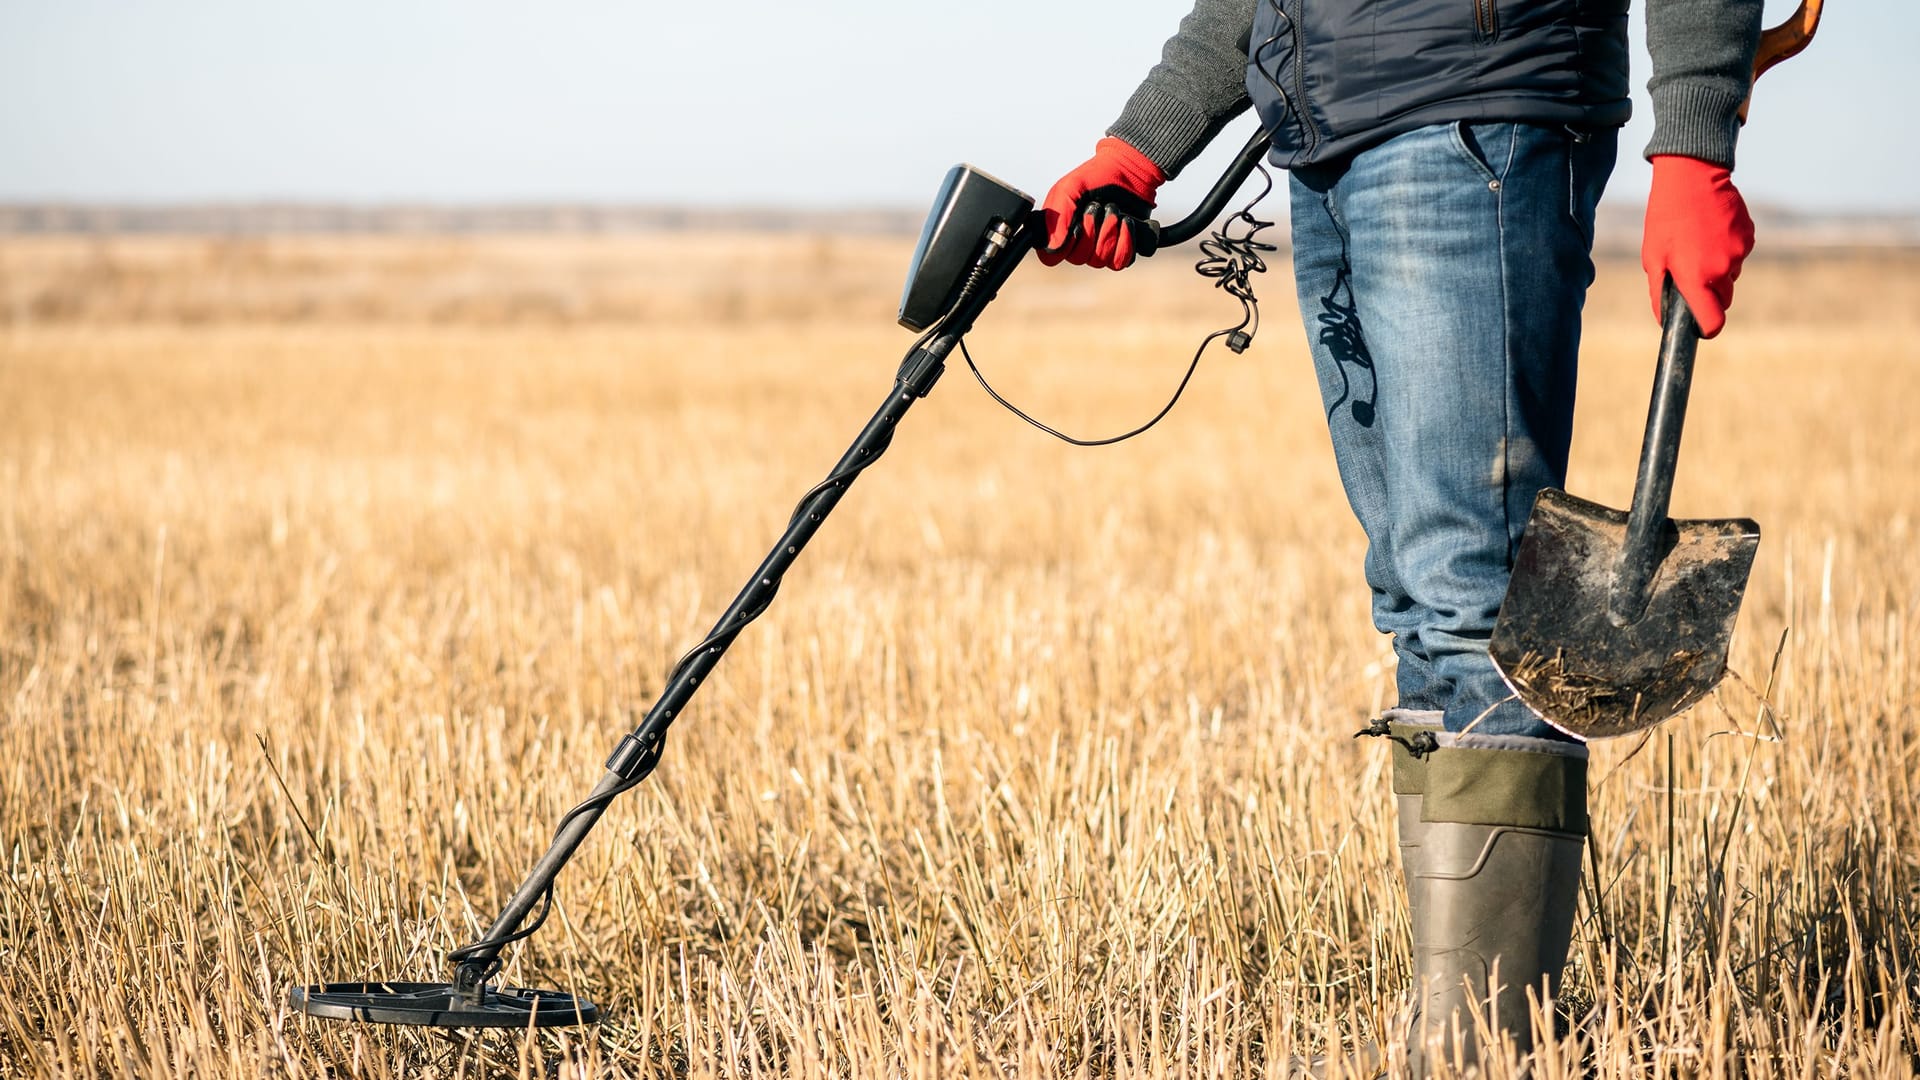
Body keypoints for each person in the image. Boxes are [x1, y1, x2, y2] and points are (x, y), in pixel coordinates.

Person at [1037, 0, 1762, 1071]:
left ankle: (1479, 1053)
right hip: (1331, 142)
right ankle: (1461, 1030)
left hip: (1477, 115)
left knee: (1478, 604)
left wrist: (1694, 134)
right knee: (1420, 603)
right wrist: (1138, 148)